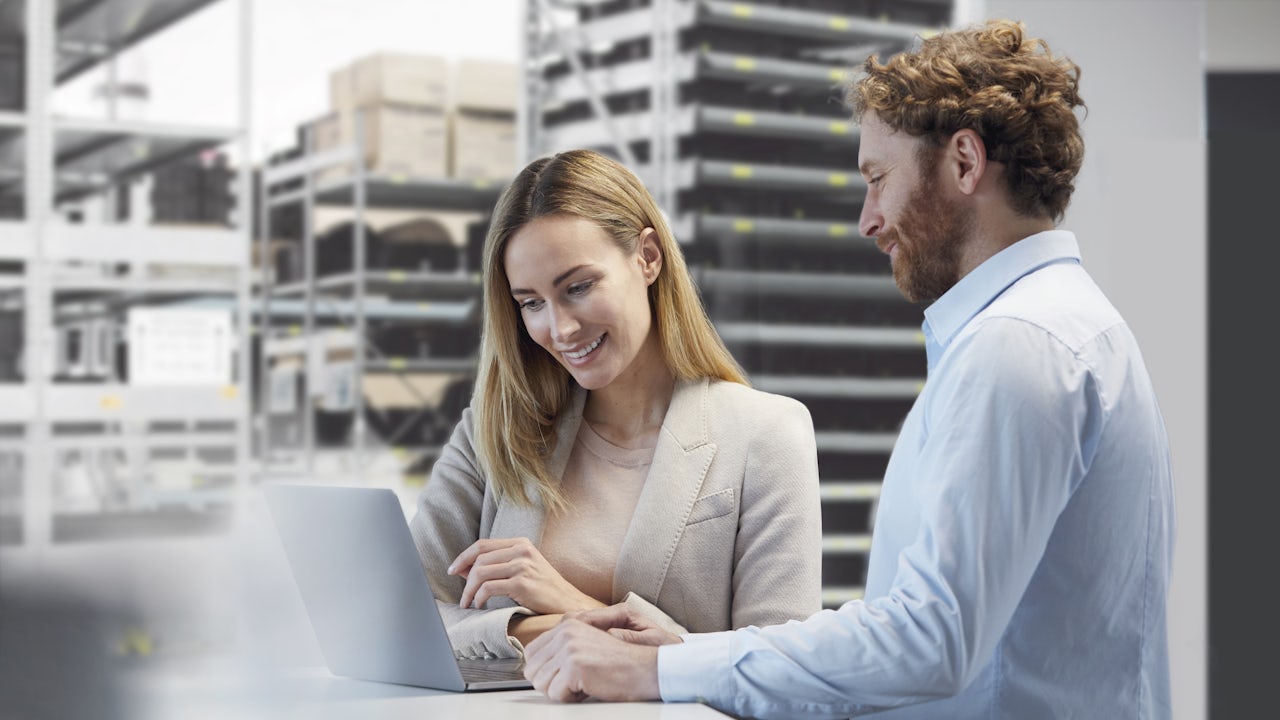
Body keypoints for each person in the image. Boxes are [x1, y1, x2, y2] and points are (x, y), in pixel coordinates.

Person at [521, 19, 1176, 719]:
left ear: (963, 163)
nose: (868, 219)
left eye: (877, 178)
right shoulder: (1070, 325)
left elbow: (929, 641)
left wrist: (664, 669)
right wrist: (687, 651)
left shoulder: (1016, 348)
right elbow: (926, 626)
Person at [407, 148, 823, 660]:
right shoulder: (493, 432)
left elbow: (782, 669)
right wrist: (528, 626)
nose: (559, 329)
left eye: (578, 287)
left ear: (648, 257)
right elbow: (406, 618)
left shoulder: (766, 433)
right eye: (531, 303)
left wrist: (572, 606)